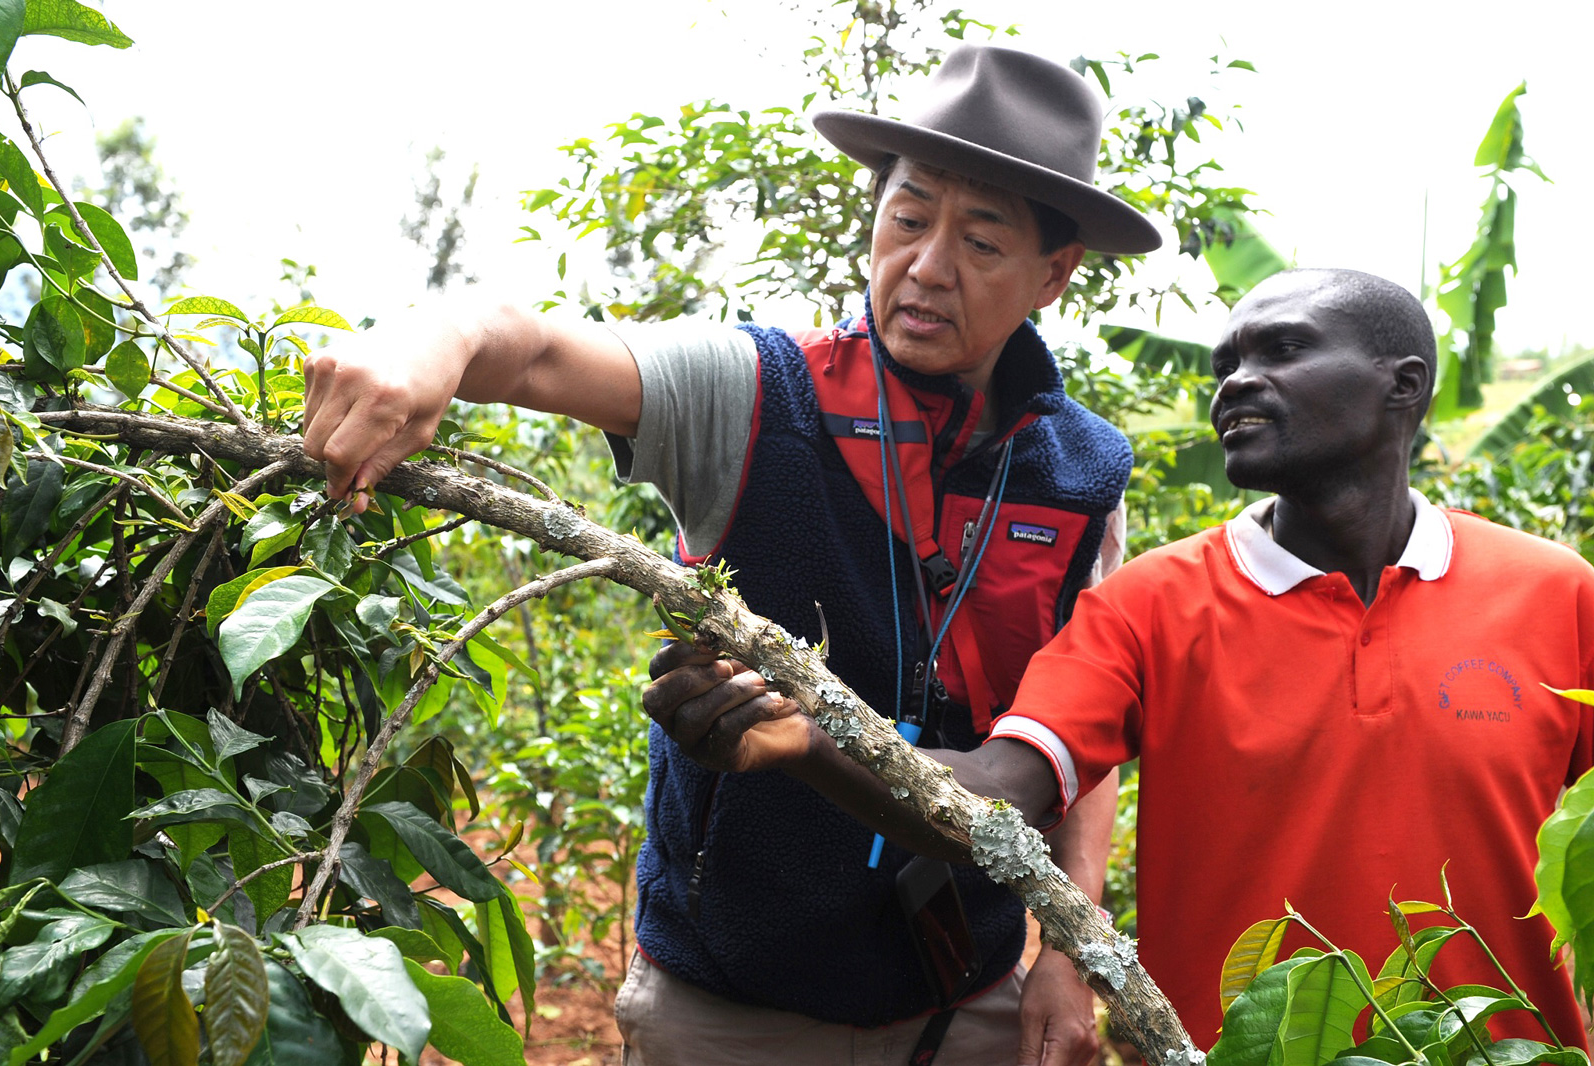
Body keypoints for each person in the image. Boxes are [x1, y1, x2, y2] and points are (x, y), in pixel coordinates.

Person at [302, 44, 1165, 1066]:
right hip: (730, 1005)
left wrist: (1071, 939)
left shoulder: (1078, 475)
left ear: (1054, 274)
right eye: (907, 216)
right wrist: (425, 342)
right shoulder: (756, 393)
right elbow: (533, 350)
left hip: (961, 1001)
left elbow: (1075, 729)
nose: (928, 266)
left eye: (981, 242)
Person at [657, 267, 1594, 1051]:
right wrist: (807, 743)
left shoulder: (1556, 593)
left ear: (1404, 384)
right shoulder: (1152, 604)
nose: (1235, 382)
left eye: (1284, 349)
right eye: (1226, 363)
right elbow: (992, 792)